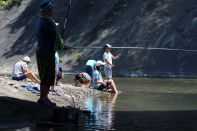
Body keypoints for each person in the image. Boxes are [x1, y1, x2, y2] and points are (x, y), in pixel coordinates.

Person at [36, 0, 69, 107]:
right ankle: (43, 99)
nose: (53, 11)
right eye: (51, 9)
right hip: (47, 51)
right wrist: (62, 46)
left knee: (44, 75)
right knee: (47, 75)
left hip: (40, 50)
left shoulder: (40, 20)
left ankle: (44, 98)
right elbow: (55, 38)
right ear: (48, 10)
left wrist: (60, 44)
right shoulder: (49, 22)